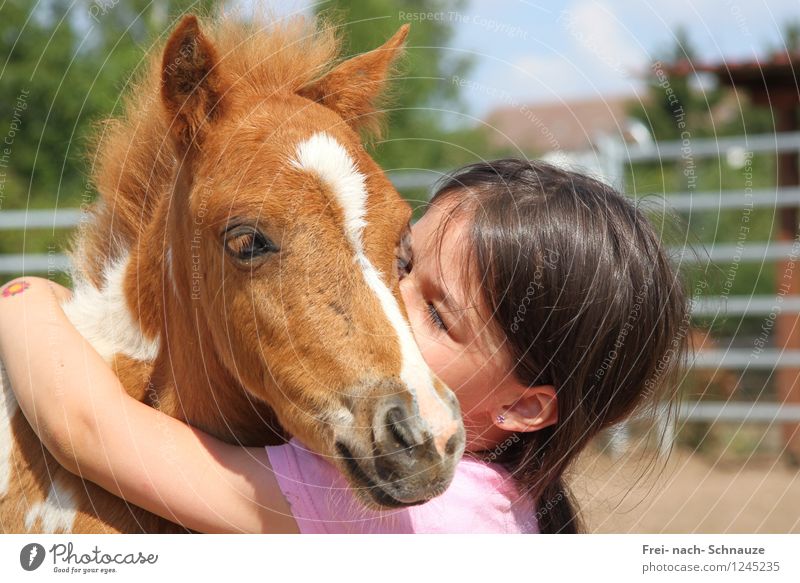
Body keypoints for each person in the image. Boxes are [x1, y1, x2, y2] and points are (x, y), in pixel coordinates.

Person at [0, 159, 690, 533]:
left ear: (524, 408)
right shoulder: (500, 503)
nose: (385, 304)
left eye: (438, 316)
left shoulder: (407, 502)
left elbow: (88, 427)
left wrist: (27, 298)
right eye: (399, 261)